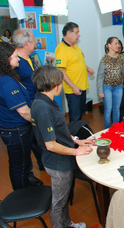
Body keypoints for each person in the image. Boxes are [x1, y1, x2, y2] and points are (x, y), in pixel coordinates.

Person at [31, 65, 93, 228]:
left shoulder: (45, 101)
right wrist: (76, 151)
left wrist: (75, 140)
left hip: (60, 159)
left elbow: (58, 130)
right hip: (58, 163)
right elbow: (51, 145)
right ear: (53, 84)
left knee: (63, 200)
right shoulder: (43, 109)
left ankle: (67, 224)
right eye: (60, 82)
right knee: (58, 203)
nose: (62, 85)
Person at [0, 42, 42, 190]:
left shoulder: (7, 76)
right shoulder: (7, 82)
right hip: (16, 130)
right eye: (15, 56)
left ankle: (28, 180)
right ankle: (21, 194)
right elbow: (23, 111)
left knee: (24, 160)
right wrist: (38, 121)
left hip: (17, 128)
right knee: (19, 165)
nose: (18, 59)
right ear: (5, 59)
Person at [12, 28, 44, 170]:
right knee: (31, 139)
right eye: (33, 39)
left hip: (35, 101)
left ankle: (43, 163)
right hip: (26, 106)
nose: (36, 42)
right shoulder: (15, 63)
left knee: (38, 137)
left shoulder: (28, 58)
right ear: (27, 43)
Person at [55, 22, 95, 122]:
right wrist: (73, 87)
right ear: (68, 33)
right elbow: (61, 71)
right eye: (76, 33)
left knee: (80, 113)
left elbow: (75, 62)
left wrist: (86, 68)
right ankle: (73, 136)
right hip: (73, 89)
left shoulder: (74, 46)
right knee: (75, 116)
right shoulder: (61, 49)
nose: (79, 35)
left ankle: (80, 134)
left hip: (82, 86)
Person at [97, 37, 124, 129]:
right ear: (109, 45)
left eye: (118, 43)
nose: (118, 45)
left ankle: (116, 128)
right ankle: (107, 129)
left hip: (119, 87)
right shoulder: (104, 60)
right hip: (107, 88)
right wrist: (100, 91)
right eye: (116, 43)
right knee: (108, 109)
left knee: (117, 109)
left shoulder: (121, 59)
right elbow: (100, 77)